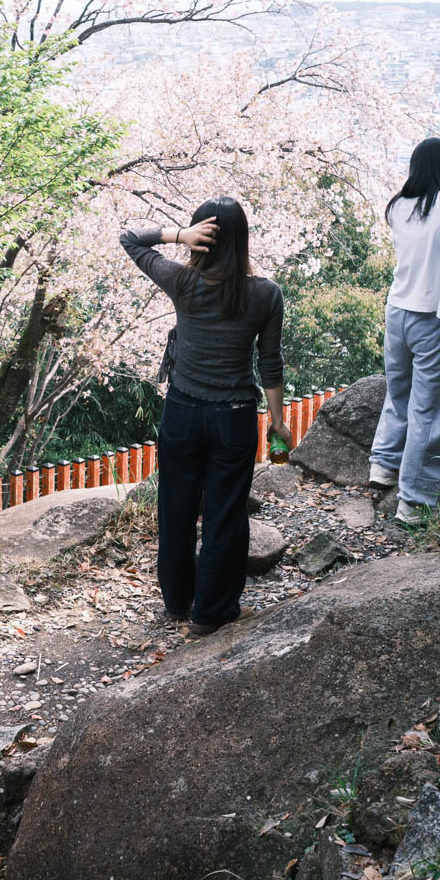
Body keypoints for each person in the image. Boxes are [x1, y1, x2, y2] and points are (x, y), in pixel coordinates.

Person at [121, 196, 285, 635]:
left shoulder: (181, 281)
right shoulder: (266, 295)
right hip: (232, 419)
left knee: (175, 507)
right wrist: (278, 420)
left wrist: (177, 235)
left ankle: (176, 602)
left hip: (182, 414)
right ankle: (211, 614)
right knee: (224, 516)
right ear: (242, 242)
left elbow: (130, 239)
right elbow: (270, 365)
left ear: (202, 241)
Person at [367, 137, 440, 525]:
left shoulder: (398, 207)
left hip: (397, 311)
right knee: (430, 409)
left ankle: (383, 465)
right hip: (435, 317)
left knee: (397, 390)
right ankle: (414, 500)